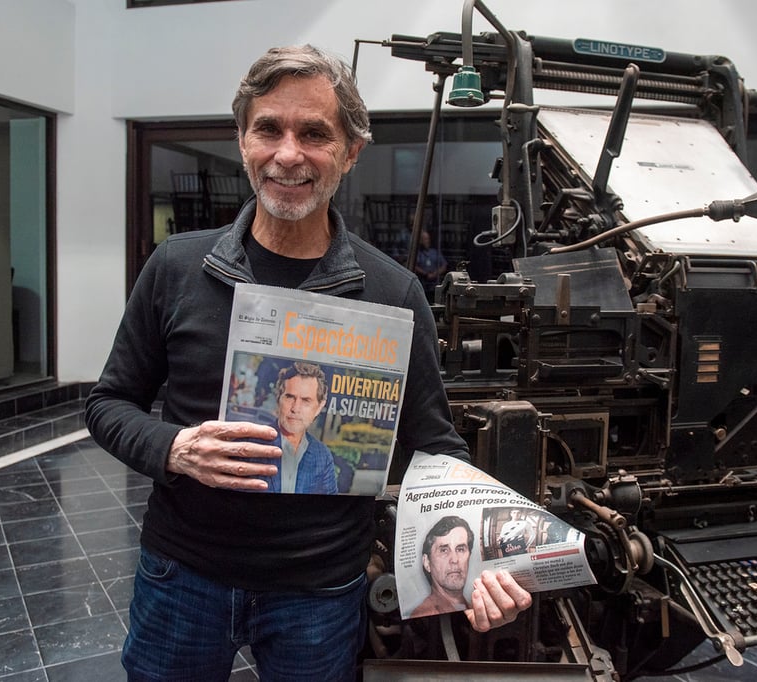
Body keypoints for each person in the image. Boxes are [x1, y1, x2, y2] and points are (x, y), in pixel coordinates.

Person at [84, 44, 531, 681]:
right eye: (268, 128)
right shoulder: (177, 267)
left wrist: (480, 554)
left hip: (319, 594)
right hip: (183, 575)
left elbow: (436, 447)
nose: (288, 154)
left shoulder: (393, 292)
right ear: (243, 141)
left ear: (350, 152)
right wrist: (176, 448)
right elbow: (107, 404)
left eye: (315, 133)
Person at [263, 361, 337, 494]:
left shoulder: (322, 456)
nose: (295, 409)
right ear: (278, 398)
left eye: (306, 400)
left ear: (319, 407)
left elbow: (330, 506)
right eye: (290, 397)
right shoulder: (252, 444)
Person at [410, 516, 476, 618]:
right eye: (444, 550)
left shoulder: (471, 605)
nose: (454, 560)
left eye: (460, 549)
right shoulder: (424, 614)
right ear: (427, 562)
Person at [413, 229, 447, 301]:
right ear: (420, 241)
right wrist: (425, 274)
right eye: (424, 239)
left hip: (434, 285)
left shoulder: (434, 252)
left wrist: (435, 274)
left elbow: (444, 265)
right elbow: (413, 265)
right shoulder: (417, 253)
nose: (427, 241)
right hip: (421, 285)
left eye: (428, 239)